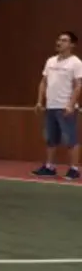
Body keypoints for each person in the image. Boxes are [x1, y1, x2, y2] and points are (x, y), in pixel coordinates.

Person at [34, 31, 82, 178]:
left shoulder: (76, 63)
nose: (59, 42)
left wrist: (71, 105)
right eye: (59, 40)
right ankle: (50, 167)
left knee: (70, 139)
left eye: (64, 40)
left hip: (65, 107)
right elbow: (43, 82)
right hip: (51, 106)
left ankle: (74, 169)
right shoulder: (50, 61)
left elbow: (78, 85)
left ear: (72, 45)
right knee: (50, 138)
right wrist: (39, 101)